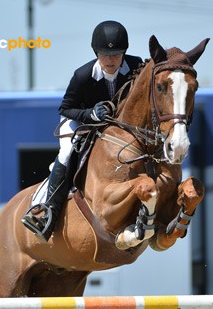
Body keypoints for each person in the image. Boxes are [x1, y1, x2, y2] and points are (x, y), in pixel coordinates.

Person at [22, 20, 143, 240]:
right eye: (104, 54)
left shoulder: (136, 67)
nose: (110, 60)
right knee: (67, 152)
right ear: (96, 52)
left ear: (124, 52)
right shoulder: (83, 75)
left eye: (115, 54)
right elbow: (66, 108)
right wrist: (90, 115)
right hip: (81, 121)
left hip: (116, 126)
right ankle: (48, 210)